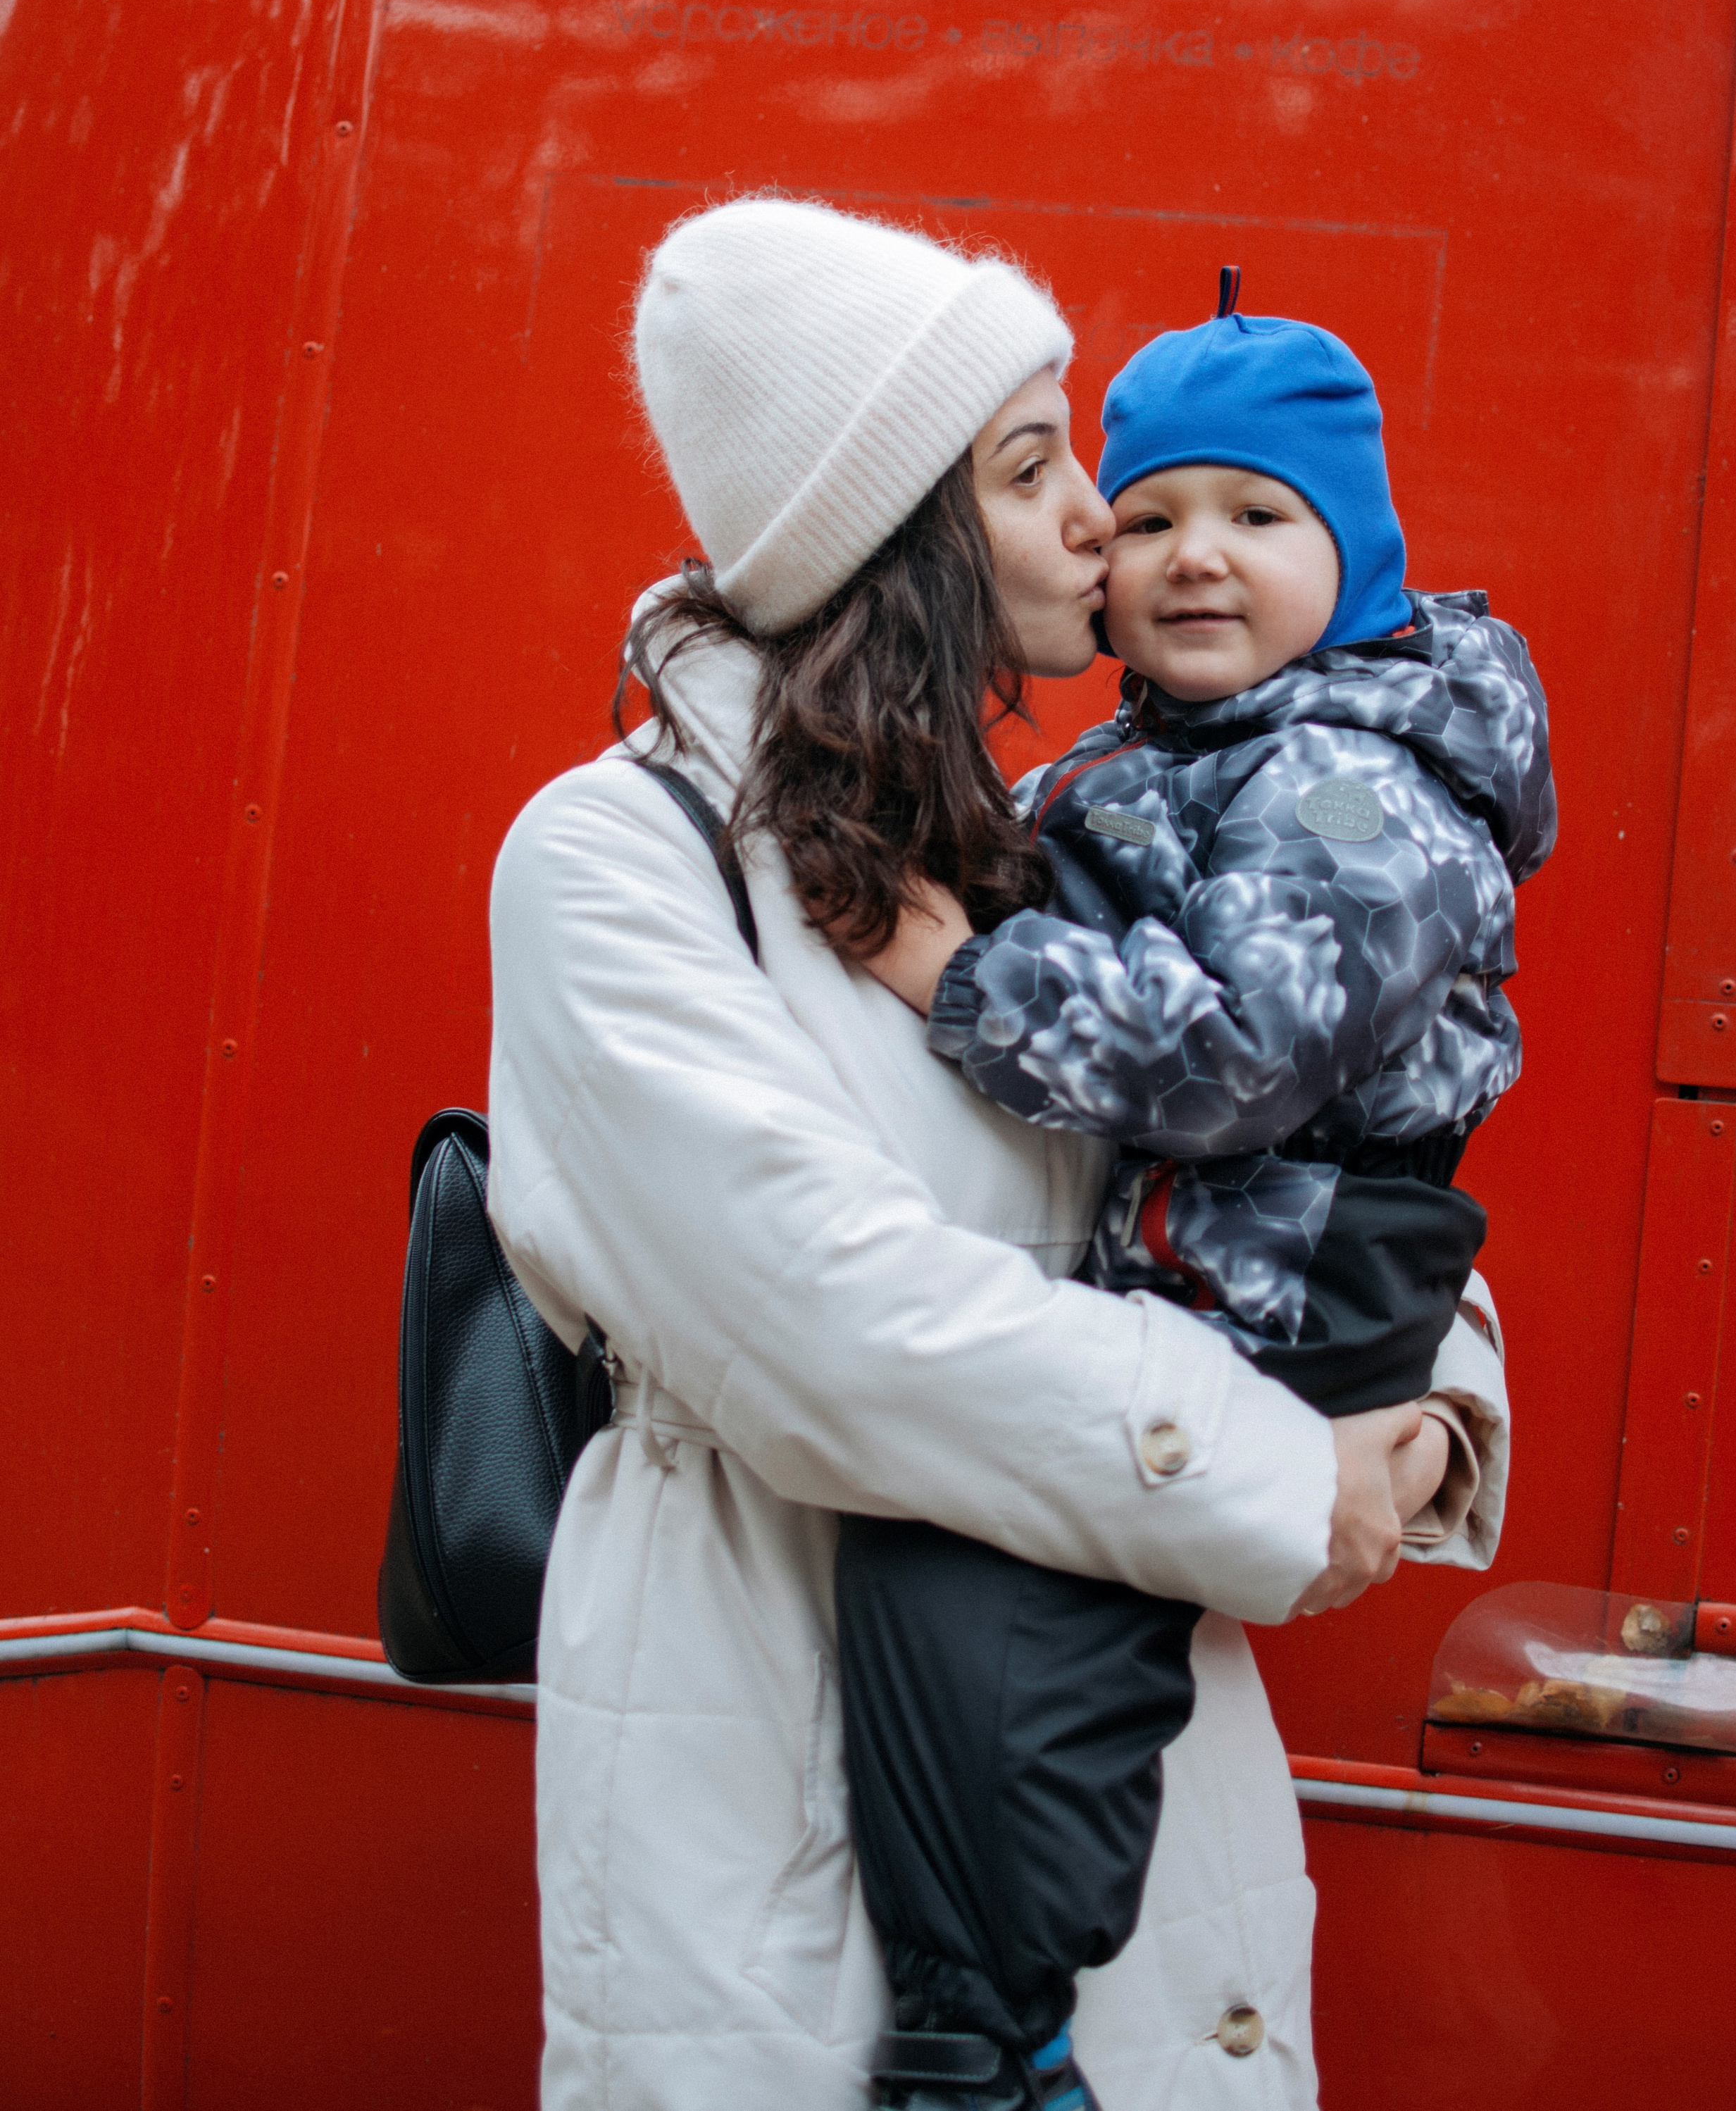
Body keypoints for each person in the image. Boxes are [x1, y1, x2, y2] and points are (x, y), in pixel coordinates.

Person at [484, 197, 1511, 2111]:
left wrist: (1432, 1412)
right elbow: (832, 1329)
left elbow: (1328, 1155)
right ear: (893, 534)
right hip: (791, 1745)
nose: (1101, 518)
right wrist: (1294, 1471)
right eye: (1034, 465)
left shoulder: (1041, 836)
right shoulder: (617, 859)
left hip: (1130, 1737)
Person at [837, 275, 1554, 2105]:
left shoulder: (1341, 783)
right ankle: (992, 2010)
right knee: (1000, 1610)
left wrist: (961, 977)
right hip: (1207, 1278)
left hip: (1298, 1279)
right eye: (1146, 517)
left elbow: (1239, 1051)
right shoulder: (1149, 754)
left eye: (1258, 515)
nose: (1192, 557)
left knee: (1036, 1626)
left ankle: (993, 2044)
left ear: (1362, 552)